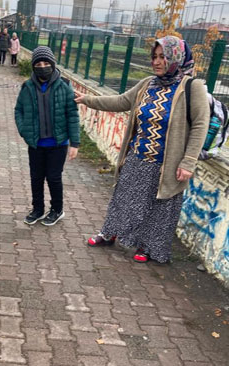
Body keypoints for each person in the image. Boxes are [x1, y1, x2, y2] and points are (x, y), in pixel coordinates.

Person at [75, 36, 208, 263]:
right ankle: (109, 233)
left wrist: (188, 161)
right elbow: (120, 101)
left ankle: (149, 247)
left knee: (160, 206)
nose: (156, 62)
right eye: (154, 57)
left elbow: (200, 124)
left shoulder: (191, 87)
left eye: (162, 57)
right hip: (137, 156)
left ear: (174, 57)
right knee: (123, 199)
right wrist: (87, 99)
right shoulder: (147, 83)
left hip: (167, 162)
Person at [14, 46, 80, 227]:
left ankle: (57, 210)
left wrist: (75, 142)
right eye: (38, 64)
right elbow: (18, 110)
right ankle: (37, 209)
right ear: (34, 66)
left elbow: (72, 114)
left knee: (53, 177)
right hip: (36, 143)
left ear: (52, 64)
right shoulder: (27, 87)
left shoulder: (65, 85)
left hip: (58, 143)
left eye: (46, 63)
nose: (43, 67)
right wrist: (24, 130)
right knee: (36, 177)